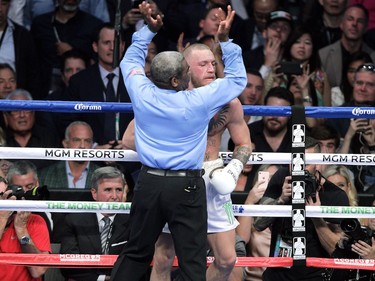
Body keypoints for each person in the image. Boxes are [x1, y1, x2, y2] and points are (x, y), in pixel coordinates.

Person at [110, 3, 246, 281]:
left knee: (136, 252)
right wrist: (225, 41)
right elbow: (237, 79)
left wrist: (148, 30)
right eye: (185, 70)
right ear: (176, 80)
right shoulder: (199, 101)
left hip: (148, 183)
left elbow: (129, 62)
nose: (190, 73)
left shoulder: (140, 90)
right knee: (192, 259)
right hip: (186, 186)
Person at [253, 136, 350, 281]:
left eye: (305, 164)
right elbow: (258, 224)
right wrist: (280, 200)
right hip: (279, 273)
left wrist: (317, 217)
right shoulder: (282, 178)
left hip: (316, 276)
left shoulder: (334, 195)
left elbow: (337, 251)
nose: (299, 169)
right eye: (295, 163)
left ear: (318, 165)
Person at [60, 166, 134, 281]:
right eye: (108, 190)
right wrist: (102, 278)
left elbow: (137, 262)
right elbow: (68, 266)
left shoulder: (133, 221)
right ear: (94, 193)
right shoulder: (74, 220)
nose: (114, 196)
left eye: (119, 190)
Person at [65, 22, 133, 146]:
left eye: (116, 43)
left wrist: (130, 144)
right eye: (106, 43)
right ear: (95, 46)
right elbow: (70, 122)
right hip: (93, 158)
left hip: (131, 155)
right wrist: (94, 148)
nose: (112, 47)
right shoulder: (79, 81)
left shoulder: (136, 80)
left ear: (123, 46)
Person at [30, 0, 103, 97]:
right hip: (45, 91)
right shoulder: (40, 24)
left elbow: (99, 60)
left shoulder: (94, 25)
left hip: (84, 92)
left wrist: (72, 50)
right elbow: (31, 61)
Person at [0, 176, 51, 281]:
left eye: (6, 194)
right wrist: (3, 217)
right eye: (1, 195)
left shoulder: (34, 221)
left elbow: (37, 270)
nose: (6, 199)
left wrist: (21, 230)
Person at [236, 164, 280, 281]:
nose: (270, 183)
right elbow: (241, 239)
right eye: (266, 178)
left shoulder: (286, 208)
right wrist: (250, 201)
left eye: (274, 179)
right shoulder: (251, 210)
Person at [319, 4, 375, 88]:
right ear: (341, 24)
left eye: (360, 21)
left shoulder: (373, 57)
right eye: (350, 19)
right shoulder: (323, 55)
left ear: (366, 27)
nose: (354, 24)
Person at [2, 89, 60, 169]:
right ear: (6, 116)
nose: (22, 115)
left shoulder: (49, 137)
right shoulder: (1, 140)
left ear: (34, 113)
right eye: (15, 110)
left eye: (26, 109)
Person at [39, 121, 100, 190]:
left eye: (87, 141)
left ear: (92, 145)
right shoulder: (45, 175)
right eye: (77, 140)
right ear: (65, 143)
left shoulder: (102, 175)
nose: (82, 146)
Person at [0, 0, 40, 99]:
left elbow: (32, 75)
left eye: (3, 4)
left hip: (14, 104)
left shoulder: (23, 36)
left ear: (10, 6)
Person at [243, 10, 292, 79]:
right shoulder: (247, 58)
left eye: (284, 28)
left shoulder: (291, 59)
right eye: (274, 26)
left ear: (289, 35)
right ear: (264, 33)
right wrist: (267, 65)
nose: (278, 30)